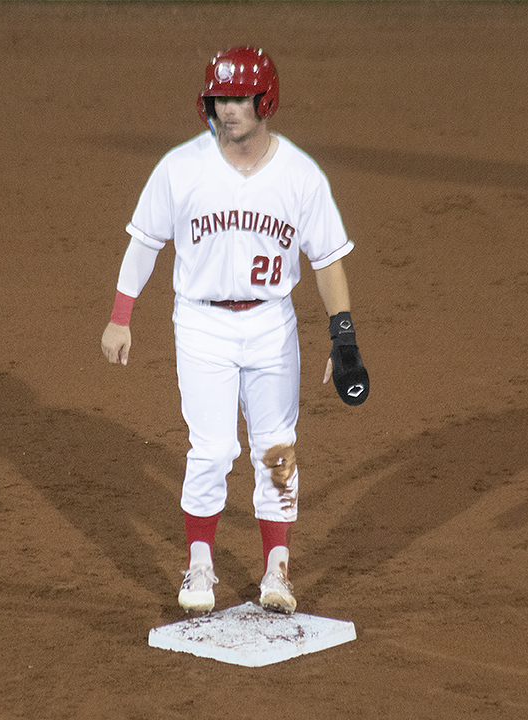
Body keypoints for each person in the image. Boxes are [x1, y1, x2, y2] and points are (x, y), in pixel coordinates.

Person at [101, 46, 368, 615]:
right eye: (220, 98)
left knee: (276, 447)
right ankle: (200, 563)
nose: (228, 110)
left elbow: (327, 262)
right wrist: (121, 315)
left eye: (239, 98)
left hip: (272, 324)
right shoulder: (180, 168)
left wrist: (342, 336)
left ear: (263, 99)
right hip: (200, 323)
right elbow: (145, 240)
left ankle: (277, 567)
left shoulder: (300, 175)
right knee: (212, 449)